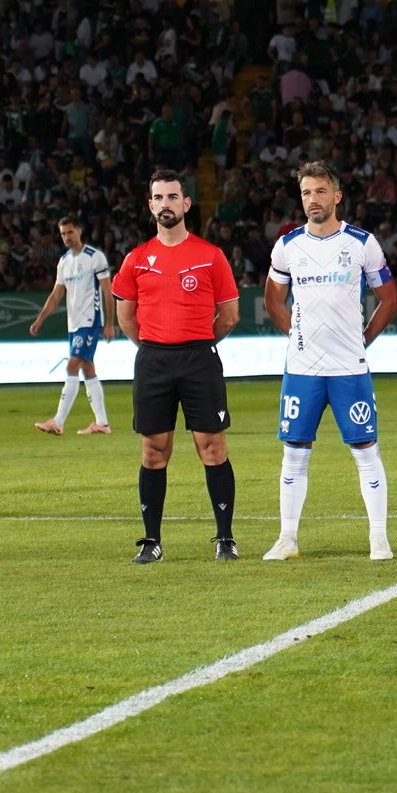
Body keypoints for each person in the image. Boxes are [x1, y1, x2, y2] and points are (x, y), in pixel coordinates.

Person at [261, 161, 397, 561]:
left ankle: (378, 537)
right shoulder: (288, 245)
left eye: (320, 191)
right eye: (306, 192)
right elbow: (273, 299)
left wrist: (364, 339)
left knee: (365, 449)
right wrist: (295, 333)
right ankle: (287, 539)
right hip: (303, 369)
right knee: (295, 452)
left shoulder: (361, 243)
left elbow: (388, 298)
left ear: (336, 196)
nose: (313, 199)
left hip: (349, 368)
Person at [112, 170, 241, 564]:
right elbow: (126, 318)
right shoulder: (136, 259)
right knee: (153, 452)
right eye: (158, 197)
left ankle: (225, 539)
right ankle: (151, 542)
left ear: (186, 204)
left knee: (213, 447)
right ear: (150, 205)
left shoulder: (210, 255)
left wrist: (196, 341)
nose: (165, 204)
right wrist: (157, 345)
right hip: (153, 361)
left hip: (200, 359)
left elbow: (230, 315)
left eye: (172, 197)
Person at [28, 216, 116, 435]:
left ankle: (57, 421)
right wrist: (40, 319)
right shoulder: (64, 261)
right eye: (63, 234)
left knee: (72, 366)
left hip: (90, 321)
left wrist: (109, 324)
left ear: (79, 231)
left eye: (70, 232)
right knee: (87, 369)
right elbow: (56, 294)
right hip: (74, 324)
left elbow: (107, 291)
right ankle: (102, 423)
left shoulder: (95, 258)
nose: (66, 237)